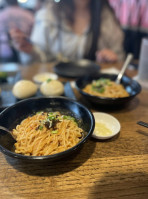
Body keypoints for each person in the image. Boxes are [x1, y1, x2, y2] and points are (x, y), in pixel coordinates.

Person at [10, 0, 124, 63]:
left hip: (94, 86)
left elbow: (119, 57)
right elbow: (39, 57)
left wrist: (111, 59)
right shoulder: (48, 15)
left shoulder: (107, 17)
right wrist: (29, 50)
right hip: (54, 85)